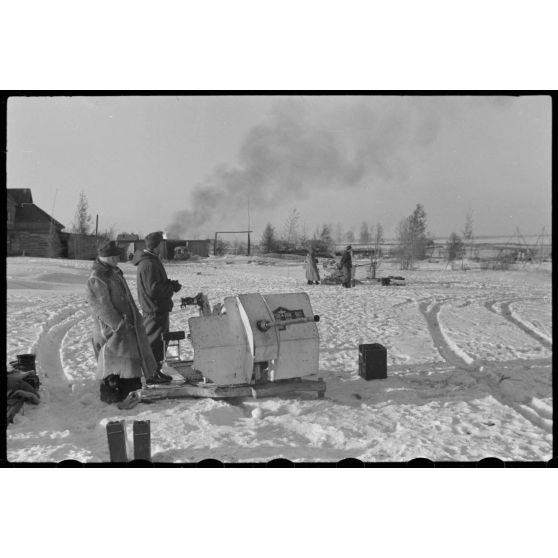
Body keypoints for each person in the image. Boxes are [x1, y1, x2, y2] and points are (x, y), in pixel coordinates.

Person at [86, 241, 159, 408]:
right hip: (112, 331)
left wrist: (134, 318)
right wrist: (118, 325)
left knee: (128, 362)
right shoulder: (97, 277)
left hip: (125, 327)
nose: (119, 258)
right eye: (116, 256)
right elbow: (101, 306)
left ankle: (129, 394)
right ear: (110, 257)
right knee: (113, 366)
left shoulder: (113, 273)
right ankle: (113, 399)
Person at [132, 231, 182, 383]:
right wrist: (171, 287)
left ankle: (155, 371)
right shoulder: (149, 264)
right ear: (157, 245)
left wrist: (169, 284)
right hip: (154, 309)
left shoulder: (151, 260)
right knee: (154, 342)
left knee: (159, 342)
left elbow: (155, 285)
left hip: (157, 308)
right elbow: (154, 289)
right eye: (162, 244)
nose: (163, 247)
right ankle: (151, 375)